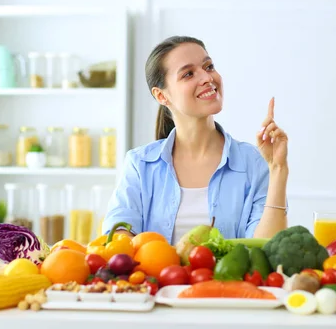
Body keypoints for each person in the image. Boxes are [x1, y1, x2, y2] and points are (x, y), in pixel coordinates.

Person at [102, 36, 289, 244]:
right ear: (162, 96)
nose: (207, 78)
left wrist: (278, 168)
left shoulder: (253, 162)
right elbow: (117, 235)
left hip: (228, 278)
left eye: (208, 67)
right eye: (188, 74)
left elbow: (266, 248)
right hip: (155, 277)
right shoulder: (139, 164)